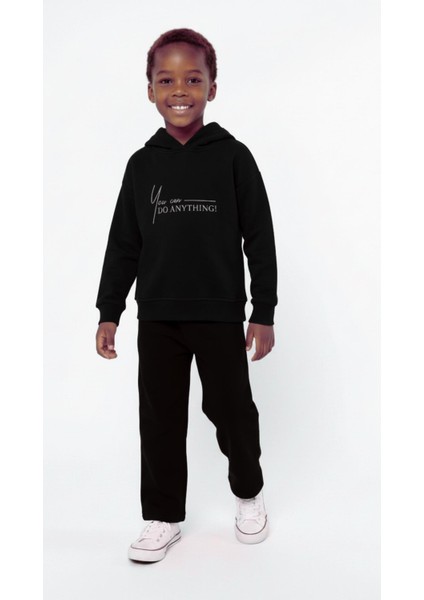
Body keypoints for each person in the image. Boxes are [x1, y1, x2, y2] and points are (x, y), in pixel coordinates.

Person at [95, 27, 278, 563]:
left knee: (232, 410)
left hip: (219, 314)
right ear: (150, 90)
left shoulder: (233, 157)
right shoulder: (142, 165)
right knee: (160, 419)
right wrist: (109, 311)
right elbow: (124, 243)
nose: (180, 90)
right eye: (166, 80)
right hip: (157, 316)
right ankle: (162, 517)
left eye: (193, 80)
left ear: (212, 88)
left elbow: (260, 237)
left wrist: (263, 311)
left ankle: (249, 494)